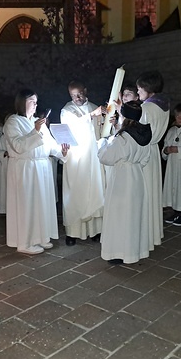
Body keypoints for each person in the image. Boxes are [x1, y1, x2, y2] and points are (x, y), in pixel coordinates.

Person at [4, 89, 69, 255]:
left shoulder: (37, 121)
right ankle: (25, 242)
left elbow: (50, 144)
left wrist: (62, 151)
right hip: (25, 168)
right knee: (27, 204)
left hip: (41, 168)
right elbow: (18, 146)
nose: (35, 104)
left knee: (41, 203)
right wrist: (35, 131)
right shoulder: (13, 122)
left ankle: (41, 236)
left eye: (36, 101)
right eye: (31, 101)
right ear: (22, 102)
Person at [98, 101, 152, 265]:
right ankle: (134, 251)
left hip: (122, 179)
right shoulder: (144, 134)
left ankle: (118, 252)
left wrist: (103, 143)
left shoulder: (123, 137)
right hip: (137, 176)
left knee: (119, 215)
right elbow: (145, 159)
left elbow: (106, 157)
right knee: (133, 215)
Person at [60, 80, 106, 246]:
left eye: (79, 94)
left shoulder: (94, 107)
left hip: (93, 157)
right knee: (75, 194)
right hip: (76, 158)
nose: (77, 98)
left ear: (85, 91)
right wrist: (91, 115)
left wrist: (105, 119)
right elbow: (72, 126)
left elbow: (101, 131)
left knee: (94, 191)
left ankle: (95, 231)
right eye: (73, 95)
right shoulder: (67, 110)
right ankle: (73, 232)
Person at [137, 70, 170, 250]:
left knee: (143, 194)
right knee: (152, 192)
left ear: (147, 88)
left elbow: (136, 130)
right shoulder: (163, 106)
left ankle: (142, 235)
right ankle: (152, 234)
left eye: (139, 89)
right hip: (154, 152)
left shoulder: (147, 108)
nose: (138, 92)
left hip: (143, 152)